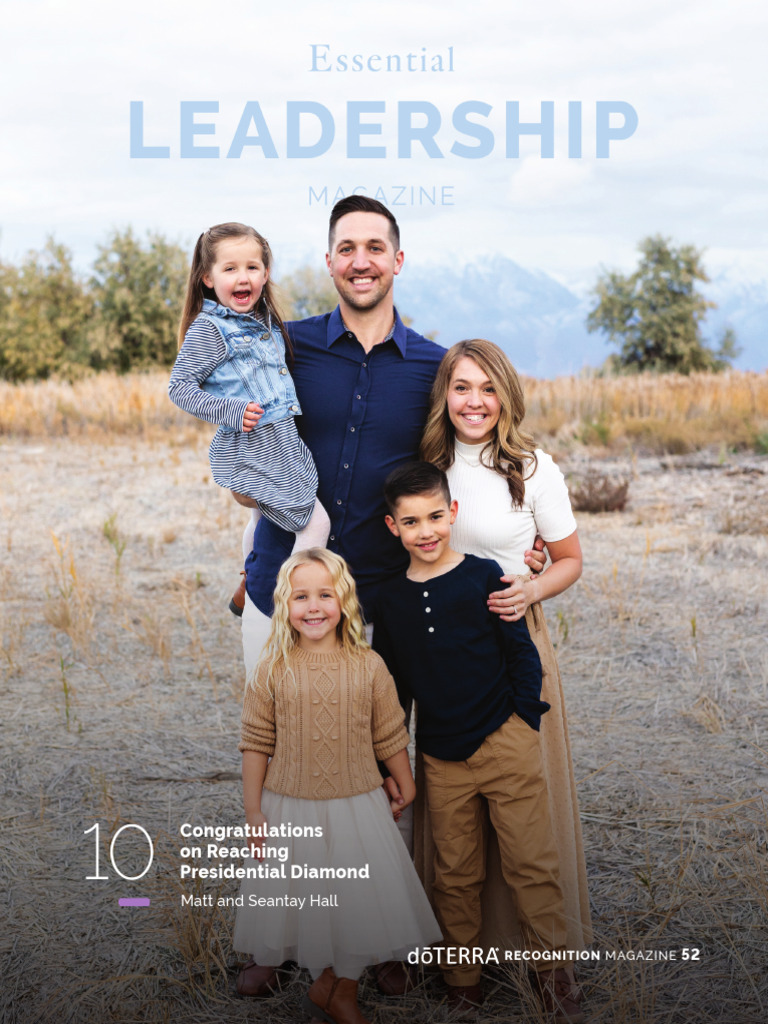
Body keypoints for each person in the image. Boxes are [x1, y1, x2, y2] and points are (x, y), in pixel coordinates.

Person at [234, 198, 547, 998]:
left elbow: (466, 460)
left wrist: (519, 535)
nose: (362, 259)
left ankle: (385, 936)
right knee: (285, 752)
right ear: (330, 259)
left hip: (385, 595)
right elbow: (241, 442)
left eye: (377, 246)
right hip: (285, 575)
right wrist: (256, 535)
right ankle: (273, 938)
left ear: (398, 260)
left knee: (385, 756)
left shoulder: (432, 366)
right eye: (347, 247)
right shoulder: (289, 345)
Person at [373, 461, 584, 1024]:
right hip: (441, 756)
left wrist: (523, 721)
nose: (427, 531)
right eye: (412, 521)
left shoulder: (484, 576)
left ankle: (553, 974)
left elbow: (521, 653)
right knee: (455, 871)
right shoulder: (391, 601)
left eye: (437, 516)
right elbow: (394, 686)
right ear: (393, 527)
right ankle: (462, 981)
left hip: (505, 743)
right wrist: (393, 758)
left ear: (454, 514)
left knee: (530, 861)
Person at [232, 548, 441, 1024]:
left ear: (344, 601)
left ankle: (340, 987)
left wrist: (404, 783)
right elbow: (255, 742)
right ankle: (327, 983)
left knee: (359, 901)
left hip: (358, 804)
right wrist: (253, 812)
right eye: (301, 596)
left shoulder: (368, 666)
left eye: (325, 595)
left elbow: (389, 733)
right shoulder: (272, 668)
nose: (314, 606)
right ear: (285, 605)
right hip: (291, 807)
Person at [169, 223, 330, 574]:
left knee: (260, 519)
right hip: (257, 441)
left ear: (266, 273)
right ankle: (296, 594)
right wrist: (230, 410)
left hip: (281, 437)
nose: (243, 277)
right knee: (315, 523)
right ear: (207, 278)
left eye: (252, 267)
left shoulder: (264, 321)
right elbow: (179, 386)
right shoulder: (210, 329)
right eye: (230, 269)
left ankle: (250, 577)